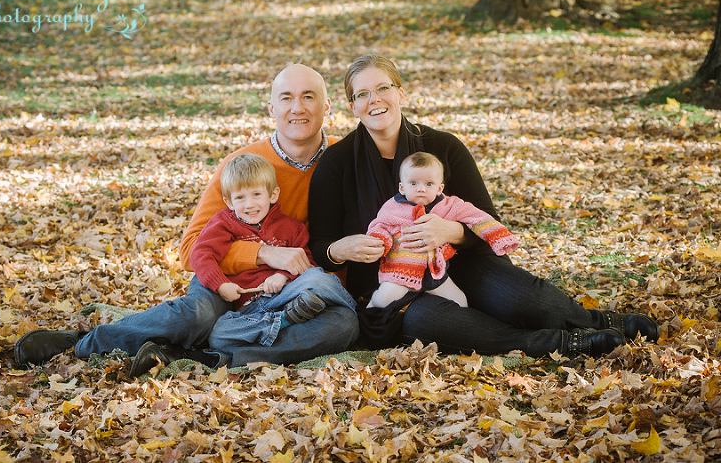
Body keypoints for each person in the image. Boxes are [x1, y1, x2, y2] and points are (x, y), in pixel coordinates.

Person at [14, 64, 360, 376]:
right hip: (229, 283)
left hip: (287, 291)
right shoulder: (242, 165)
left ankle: (203, 355)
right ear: (271, 109)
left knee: (343, 325)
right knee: (199, 314)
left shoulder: (345, 161)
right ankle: (86, 341)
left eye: (309, 97)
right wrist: (263, 254)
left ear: (326, 106)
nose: (297, 108)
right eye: (286, 98)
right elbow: (190, 249)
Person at [308, 54, 660, 356]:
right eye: (362, 94)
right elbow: (321, 246)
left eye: (383, 88)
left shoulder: (443, 147)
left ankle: (596, 322)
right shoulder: (337, 163)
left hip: (461, 263)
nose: (375, 99)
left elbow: (487, 222)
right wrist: (343, 248)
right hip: (391, 281)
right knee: (430, 321)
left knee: (521, 298)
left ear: (400, 93)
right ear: (352, 105)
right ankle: (558, 343)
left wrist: (452, 231)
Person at [191, 153, 355, 350]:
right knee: (220, 334)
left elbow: (307, 262)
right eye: (240, 197)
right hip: (253, 309)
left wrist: (283, 276)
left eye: (256, 194)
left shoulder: (292, 227)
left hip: (288, 296)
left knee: (323, 287)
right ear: (229, 202)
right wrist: (220, 285)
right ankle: (282, 322)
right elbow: (200, 253)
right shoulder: (224, 223)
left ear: (273, 194)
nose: (249, 204)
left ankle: (353, 312)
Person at [366, 151, 519, 310]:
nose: (421, 189)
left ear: (440, 188)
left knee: (460, 301)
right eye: (413, 183)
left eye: (429, 184)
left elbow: (477, 217)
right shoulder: (393, 208)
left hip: (435, 274)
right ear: (402, 187)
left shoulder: (450, 206)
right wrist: (381, 240)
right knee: (384, 299)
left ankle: (453, 328)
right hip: (401, 271)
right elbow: (379, 226)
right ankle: (370, 307)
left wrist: (499, 236)